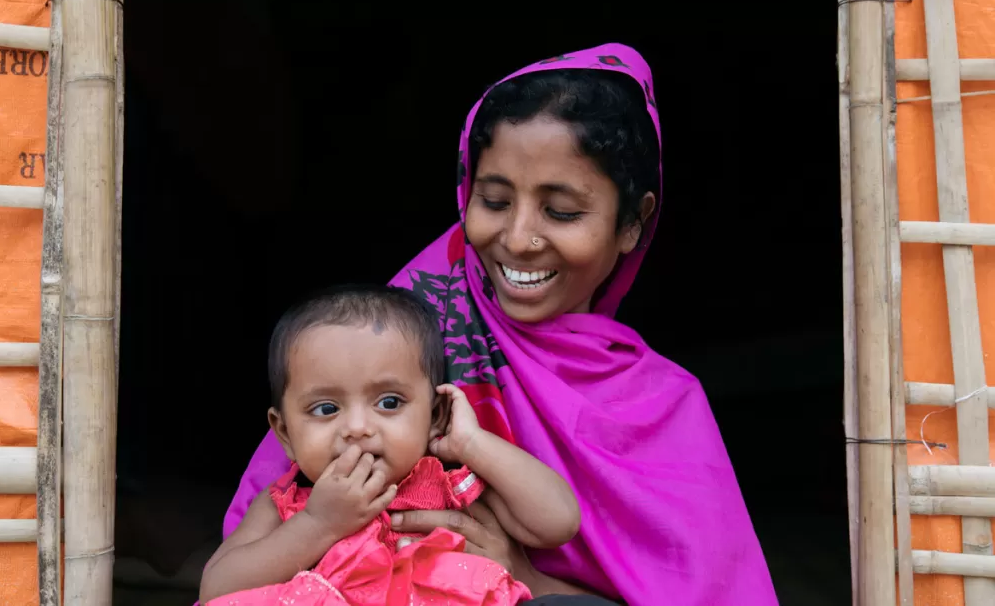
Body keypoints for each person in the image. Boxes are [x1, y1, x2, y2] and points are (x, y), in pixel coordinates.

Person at [222, 44, 779, 605]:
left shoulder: (666, 409)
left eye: (561, 211)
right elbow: (236, 579)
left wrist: (530, 583)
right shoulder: (397, 337)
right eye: (493, 200)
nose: (516, 238)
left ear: (633, 223)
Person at [200, 285, 581, 605]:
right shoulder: (287, 503)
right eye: (327, 408)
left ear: (433, 415)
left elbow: (558, 521)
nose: (358, 428)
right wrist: (317, 525)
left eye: (389, 403)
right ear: (284, 433)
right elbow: (218, 589)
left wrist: (471, 443)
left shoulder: (449, 483)